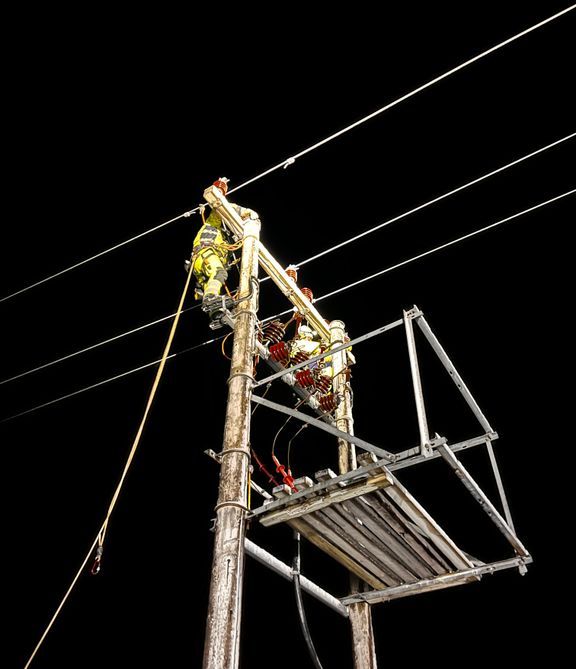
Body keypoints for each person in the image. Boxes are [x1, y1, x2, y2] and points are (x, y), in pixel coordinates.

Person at [188, 177, 258, 315]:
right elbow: (219, 207)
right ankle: (210, 299)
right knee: (219, 273)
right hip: (205, 252)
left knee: (214, 282)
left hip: (201, 264)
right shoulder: (213, 225)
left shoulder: (224, 248)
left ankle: (214, 311)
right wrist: (244, 211)